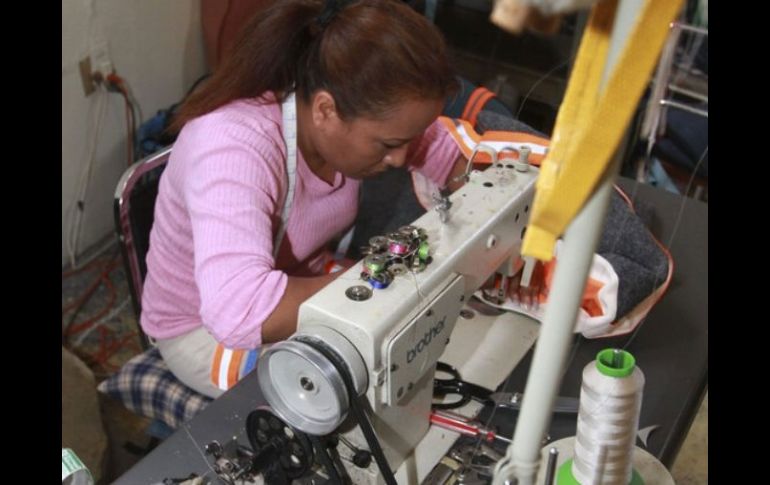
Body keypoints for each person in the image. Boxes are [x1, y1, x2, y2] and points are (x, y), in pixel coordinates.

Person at [140, 0, 468, 398]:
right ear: (326, 110)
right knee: (369, 389)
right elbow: (241, 314)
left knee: (422, 340)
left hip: (301, 276)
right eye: (389, 144)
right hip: (205, 333)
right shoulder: (233, 147)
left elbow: (452, 158)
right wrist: (385, 280)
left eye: (407, 141)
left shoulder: (359, 112)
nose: (400, 157)